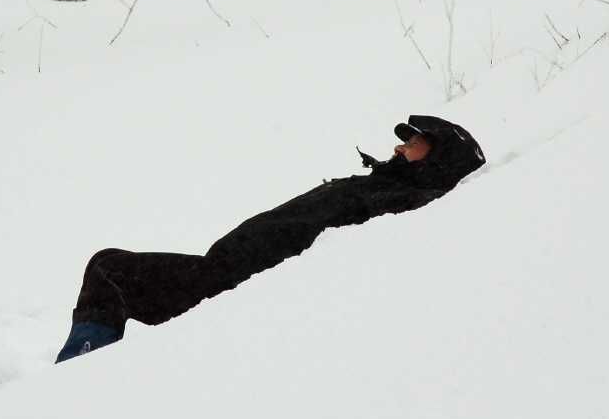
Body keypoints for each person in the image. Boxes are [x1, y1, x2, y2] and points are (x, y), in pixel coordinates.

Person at [55, 115, 485, 362]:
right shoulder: (389, 185)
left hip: (237, 285)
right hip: (226, 272)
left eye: (413, 144)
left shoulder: (412, 204)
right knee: (109, 264)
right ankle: (85, 366)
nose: (398, 149)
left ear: (442, 157)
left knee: (110, 268)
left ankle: (78, 372)